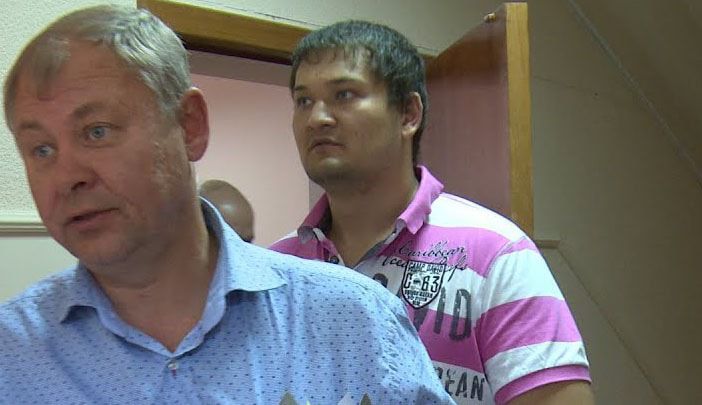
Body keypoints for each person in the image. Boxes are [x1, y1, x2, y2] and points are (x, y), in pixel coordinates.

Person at [0, 6, 454, 404]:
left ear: (189, 126)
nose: (68, 176)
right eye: (41, 149)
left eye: (96, 132)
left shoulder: (354, 322)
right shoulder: (12, 356)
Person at [270, 20, 594, 405]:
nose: (317, 118)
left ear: (409, 114)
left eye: (344, 94)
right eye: (304, 101)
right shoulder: (274, 270)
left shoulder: (496, 254)